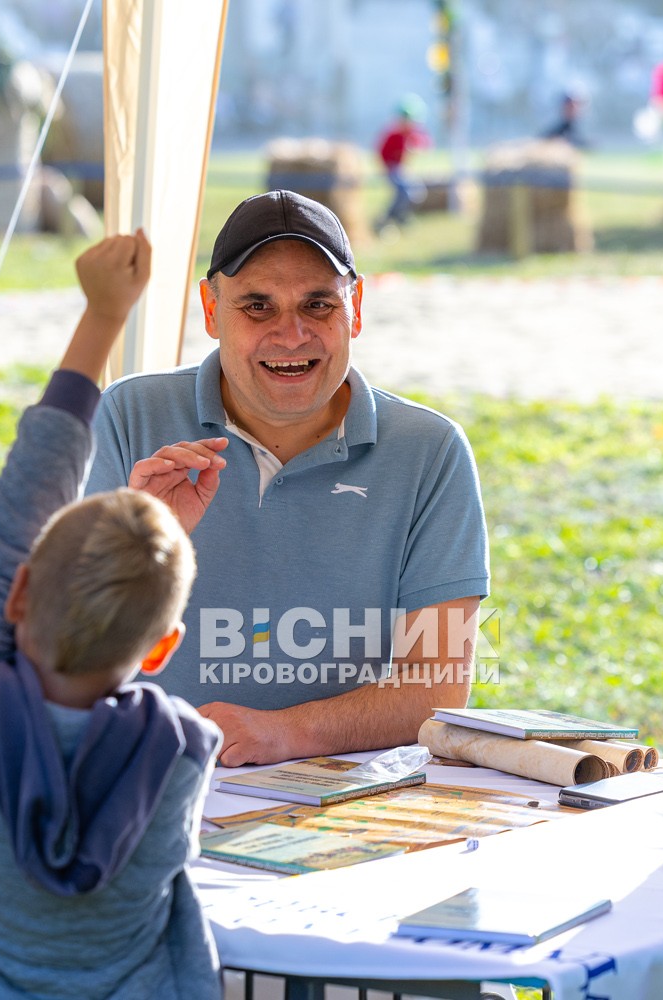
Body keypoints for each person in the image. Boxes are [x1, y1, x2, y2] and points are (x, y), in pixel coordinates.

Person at [0, 231, 223, 999]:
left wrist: (103, 315)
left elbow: (35, 477)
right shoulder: (181, 756)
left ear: (17, 596)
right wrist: (145, 557)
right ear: (161, 651)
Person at [85, 190, 489, 767]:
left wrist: (282, 733)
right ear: (209, 308)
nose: (291, 334)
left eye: (318, 305)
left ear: (355, 308)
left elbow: (438, 689)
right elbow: (71, 659)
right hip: (152, 775)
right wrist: (139, 556)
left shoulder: (430, 451)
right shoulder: (128, 417)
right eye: (257, 306)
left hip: (348, 790)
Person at [375, 95, 432, 232]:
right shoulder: (393, 135)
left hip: (405, 169)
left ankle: (400, 216)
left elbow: (425, 144)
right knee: (404, 192)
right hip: (393, 169)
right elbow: (383, 154)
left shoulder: (413, 134)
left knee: (417, 193)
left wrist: (415, 149)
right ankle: (387, 218)